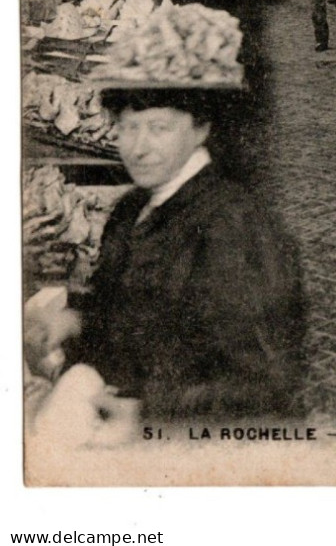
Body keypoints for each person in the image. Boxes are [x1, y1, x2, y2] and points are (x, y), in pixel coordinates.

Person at [25, 88, 306, 423]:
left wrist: (147, 413)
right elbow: (127, 315)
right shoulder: (131, 210)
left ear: (201, 129)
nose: (139, 148)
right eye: (128, 127)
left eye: (159, 128)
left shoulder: (233, 227)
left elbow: (266, 387)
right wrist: (75, 322)